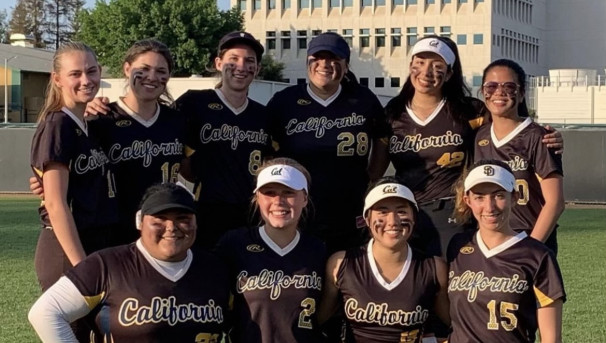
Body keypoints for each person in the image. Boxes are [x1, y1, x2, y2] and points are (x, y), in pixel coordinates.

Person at [383, 35, 564, 259]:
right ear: (410, 65)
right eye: (419, 62)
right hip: (407, 212)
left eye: (437, 66)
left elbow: (508, 121)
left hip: (452, 213)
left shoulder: (469, 111)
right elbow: (375, 168)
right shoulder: (392, 113)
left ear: (449, 73)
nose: (427, 71)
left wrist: (547, 136)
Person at [29, 39, 187, 247]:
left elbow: (190, 171)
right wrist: (43, 183)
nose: (152, 77)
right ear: (127, 68)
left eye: (160, 70)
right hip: (111, 233)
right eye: (144, 68)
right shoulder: (100, 119)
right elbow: (64, 173)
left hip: (159, 230)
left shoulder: (178, 120)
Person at [28, 183, 230, 342]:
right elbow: (45, 313)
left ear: (196, 222)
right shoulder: (107, 264)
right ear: (140, 222)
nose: (171, 227)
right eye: (159, 219)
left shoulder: (215, 269)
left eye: (182, 218)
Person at [267, 32, 390, 254]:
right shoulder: (284, 101)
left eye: (334, 59)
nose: (325, 65)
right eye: (318, 58)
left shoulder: (363, 99)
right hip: (299, 211)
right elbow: (267, 153)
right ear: (308, 62)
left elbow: (382, 138)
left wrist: (373, 177)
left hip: (349, 208)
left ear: (346, 65)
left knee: (346, 276)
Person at [30, 42, 117, 293]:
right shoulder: (58, 124)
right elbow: (56, 205)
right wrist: (83, 268)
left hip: (93, 241)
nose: (86, 80)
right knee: (74, 332)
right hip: (66, 248)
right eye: (75, 74)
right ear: (57, 79)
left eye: (91, 71)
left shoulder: (87, 124)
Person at [319, 177, 449, 342]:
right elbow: (317, 321)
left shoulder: (434, 268)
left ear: (414, 218)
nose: (393, 221)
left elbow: (456, 324)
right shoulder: (341, 264)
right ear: (367, 219)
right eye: (382, 211)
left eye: (401, 211)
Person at [448, 160, 565, 342]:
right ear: (467, 200)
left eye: (499, 195)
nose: (490, 207)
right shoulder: (458, 247)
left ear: (515, 197)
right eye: (480, 197)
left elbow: (551, 338)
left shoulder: (538, 256)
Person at [176, 31, 273, 248]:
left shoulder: (264, 115)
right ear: (219, 63)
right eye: (233, 59)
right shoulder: (194, 103)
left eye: (249, 61)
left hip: (252, 213)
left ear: (257, 69)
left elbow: (270, 162)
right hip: (207, 211)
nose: (241, 66)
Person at [216, 158, 326, 342]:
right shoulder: (234, 244)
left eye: (288, 192)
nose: (278, 201)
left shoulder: (318, 249)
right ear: (257, 198)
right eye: (269, 193)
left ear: (305, 198)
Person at [474, 59, 564, 254]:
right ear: (483, 92)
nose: (499, 92)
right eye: (491, 86)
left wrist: (531, 248)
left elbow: (555, 202)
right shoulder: (479, 136)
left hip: (530, 239)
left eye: (509, 86)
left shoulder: (539, 137)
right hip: (490, 242)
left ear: (522, 93)